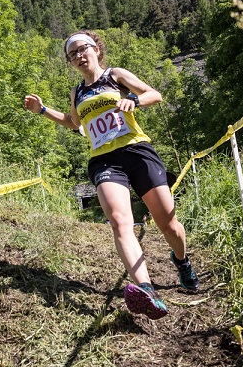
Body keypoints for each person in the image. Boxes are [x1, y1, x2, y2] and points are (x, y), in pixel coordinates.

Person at [23, 30, 199, 320]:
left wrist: (135, 101)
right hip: (104, 160)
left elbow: (155, 94)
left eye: (82, 49)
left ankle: (181, 260)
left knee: (168, 224)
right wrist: (42, 110)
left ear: (96, 49)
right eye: (72, 54)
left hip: (137, 151)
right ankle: (147, 290)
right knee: (119, 221)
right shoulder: (77, 92)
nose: (78, 56)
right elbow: (74, 123)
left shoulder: (115, 75)